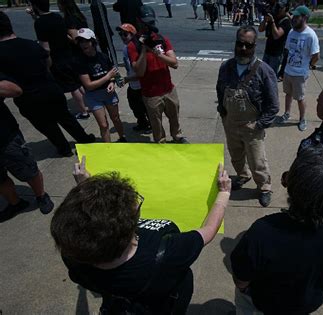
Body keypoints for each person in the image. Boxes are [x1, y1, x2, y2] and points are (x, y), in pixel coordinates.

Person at [51, 157, 231, 313]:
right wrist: (223, 193)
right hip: (168, 303)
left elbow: (89, 225)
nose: (136, 204)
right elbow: (208, 231)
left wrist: (86, 189)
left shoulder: (74, 253)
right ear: (131, 225)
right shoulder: (169, 254)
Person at [230, 145, 323, 314]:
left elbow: (241, 280)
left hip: (263, 304)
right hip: (306, 305)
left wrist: (245, 290)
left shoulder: (262, 232)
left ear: (290, 188)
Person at [0, 12, 95, 157]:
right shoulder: (31, 44)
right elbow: (47, 62)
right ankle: (84, 139)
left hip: (28, 97)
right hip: (50, 88)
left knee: (46, 125)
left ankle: (64, 148)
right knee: (65, 116)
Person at [216, 26, 278, 207]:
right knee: (236, 156)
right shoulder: (226, 67)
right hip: (231, 122)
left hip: (252, 126)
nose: (243, 48)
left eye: (248, 45)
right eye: (240, 44)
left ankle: (265, 187)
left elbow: (273, 105)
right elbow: (220, 90)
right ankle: (243, 176)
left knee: (257, 160)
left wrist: (259, 125)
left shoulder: (264, 71)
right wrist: (223, 112)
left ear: (254, 46)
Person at [128, 5, 189, 144]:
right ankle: (160, 141)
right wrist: (144, 49)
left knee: (174, 117)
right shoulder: (134, 45)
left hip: (168, 89)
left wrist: (158, 54)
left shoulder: (162, 40)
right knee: (156, 122)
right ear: (138, 21)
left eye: (151, 23)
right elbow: (140, 71)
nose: (149, 26)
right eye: (146, 23)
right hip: (151, 94)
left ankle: (177, 136)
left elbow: (174, 64)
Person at [0, 74, 54, 222]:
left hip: (6, 137)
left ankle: (41, 196)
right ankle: (15, 203)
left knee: (29, 170)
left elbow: (15, 90)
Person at [27, 0, 90, 120]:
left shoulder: (40, 23)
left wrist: (47, 63)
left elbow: (46, 48)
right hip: (68, 54)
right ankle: (89, 104)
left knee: (72, 87)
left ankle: (84, 112)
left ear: (36, 6)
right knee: (76, 83)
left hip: (58, 58)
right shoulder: (57, 17)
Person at [76, 28, 126, 143]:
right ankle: (107, 148)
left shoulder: (103, 56)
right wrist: (108, 77)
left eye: (86, 41)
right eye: (80, 41)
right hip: (93, 96)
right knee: (103, 125)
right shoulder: (80, 62)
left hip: (108, 93)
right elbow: (88, 85)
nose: (83, 44)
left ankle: (122, 138)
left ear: (93, 41)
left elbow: (113, 75)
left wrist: (112, 82)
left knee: (116, 119)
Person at [275, 5, 320, 132]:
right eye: (293, 16)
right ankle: (287, 113)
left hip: (300, 74)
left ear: (304, 18)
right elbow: (288, 51)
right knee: (288, 94)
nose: (293, 18)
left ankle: (302, 119)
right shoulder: (291, 32)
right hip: (288, 71)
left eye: (297, 16)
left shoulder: (311, 35)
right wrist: (283, 69)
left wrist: (308, 66)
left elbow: (316, 56)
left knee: (300, 98)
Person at [117, 23, 152, 133]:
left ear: (132, 35)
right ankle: (142, 123)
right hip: (133, 83)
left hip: (140, 83)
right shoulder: (126, 48)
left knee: (144, 107)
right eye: (121, 34)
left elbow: (140, 71)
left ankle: (150, 124)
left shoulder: (134, 47)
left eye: (125, 34)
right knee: (134, 105)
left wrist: (127, 79)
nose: (122, 36)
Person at [258, 0, 292, 75]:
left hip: (277, 53)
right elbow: (260, 29)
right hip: (268, 50)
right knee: (263, 73)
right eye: (277, 7)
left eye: (280, 8)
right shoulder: (273, 17)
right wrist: (265, 20)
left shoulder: (285, 22)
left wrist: (272, 22)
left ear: (285, 9)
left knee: (270, 75)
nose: (278, 9)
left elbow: (276, 35)